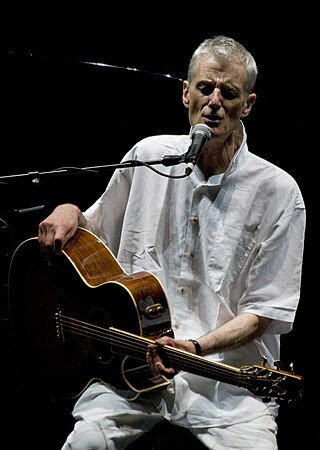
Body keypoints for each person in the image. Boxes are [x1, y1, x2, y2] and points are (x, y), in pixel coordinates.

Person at [38, 35, 306, 450]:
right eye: (205, 88)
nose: (214, 101)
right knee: (85, 444)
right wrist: (69, 210)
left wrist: (194, 347)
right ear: (186, 93)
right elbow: (91, 237)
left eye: (228, 93)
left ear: (247, 105)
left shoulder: (278, 191)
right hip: (128, 375)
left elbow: (264, 311)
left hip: (226, 390)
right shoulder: (148, 155)